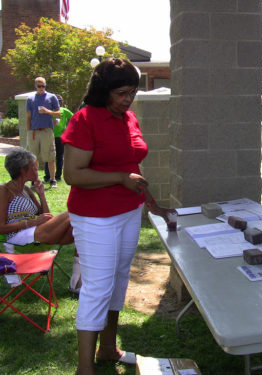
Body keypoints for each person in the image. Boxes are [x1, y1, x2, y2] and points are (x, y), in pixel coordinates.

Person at [62, 57, 175, 375]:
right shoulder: (85, 120)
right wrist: (118, 179)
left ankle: (108, 348)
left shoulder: (129, 118)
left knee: (118, 280)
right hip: (95, 216)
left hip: (128, 211)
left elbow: (132, 167)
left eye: (133, 92)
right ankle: (85, 368)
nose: (128, 99)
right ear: (104, 90)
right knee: (97, 286)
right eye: (122, 93)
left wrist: (152, 203)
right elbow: (72, 174)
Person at [0, 148, 73, 247]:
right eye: (34, 167)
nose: (37, 170)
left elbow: (46, 216)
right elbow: (1, 228)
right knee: (73, 214)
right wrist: (32, 222)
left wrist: (41, 195)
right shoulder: (5, 190)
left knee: (77, 227)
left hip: (35, 231)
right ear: (23, 170)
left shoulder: (26, 190)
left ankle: (78, 261)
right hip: (17, 236)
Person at [26, 77, 60, 188]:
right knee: (33, 157)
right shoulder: (30, 99)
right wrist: (29, 132)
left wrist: (47, 111)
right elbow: (28, 117)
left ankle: (52, 180)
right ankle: (34, 180)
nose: (42, 88)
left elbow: (58, 113)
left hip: (47, 131)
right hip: (34, 132)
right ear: (35, 86)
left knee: (50, 156)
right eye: (39, 86)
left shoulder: (52, 97)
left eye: (43, 86)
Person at [44, 95, 73, 183]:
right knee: (48, 156)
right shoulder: (49, 111)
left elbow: (75, 119)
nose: (59, 102)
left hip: (60, 137)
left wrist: (67, 129)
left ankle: (58, 176)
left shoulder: (64, 110)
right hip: (49, 136)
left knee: (59, 157)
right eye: (57, 101)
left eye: (60, 101)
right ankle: (47, 176)